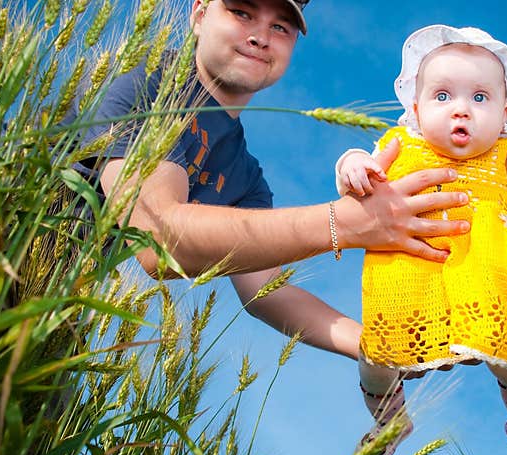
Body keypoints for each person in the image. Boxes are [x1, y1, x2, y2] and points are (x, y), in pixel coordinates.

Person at [64, 0, 471, 366]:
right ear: (199, 14)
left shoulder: (245, 177)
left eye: (280, 27)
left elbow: (267, 292)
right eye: (241, 12)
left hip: (59, 311)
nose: (260, 37)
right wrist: (346, 224)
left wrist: (379, 346)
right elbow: (160, 241)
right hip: (6, 248)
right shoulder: (147, 83)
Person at [334, 25, 507, 455]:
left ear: (505, 112)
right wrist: (353, 166)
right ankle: (389, 422)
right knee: (376, 358)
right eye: (443, 97)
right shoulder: (398, 150)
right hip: (408, 285)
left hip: (490, 285)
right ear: (416, 107)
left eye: (479, 98)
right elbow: (352, 169)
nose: (461, 109)